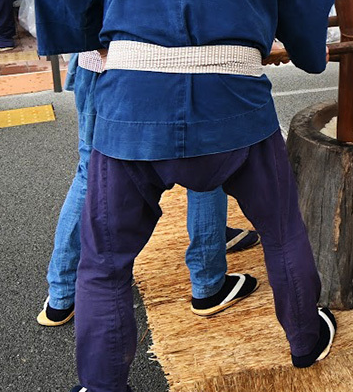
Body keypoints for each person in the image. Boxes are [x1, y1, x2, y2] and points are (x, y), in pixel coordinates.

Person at [34, 0, 337, 392]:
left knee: (106, 263)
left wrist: (93, 43)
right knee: (282, 230)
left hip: (131, 106)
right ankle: (306, 339)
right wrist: (305, 50)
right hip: (234, 104)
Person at [37, 51, 260, 328]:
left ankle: (62, 295)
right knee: (206, 160)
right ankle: (208, 281)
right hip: (172, 65)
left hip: (99, 66)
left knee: (90, 170)